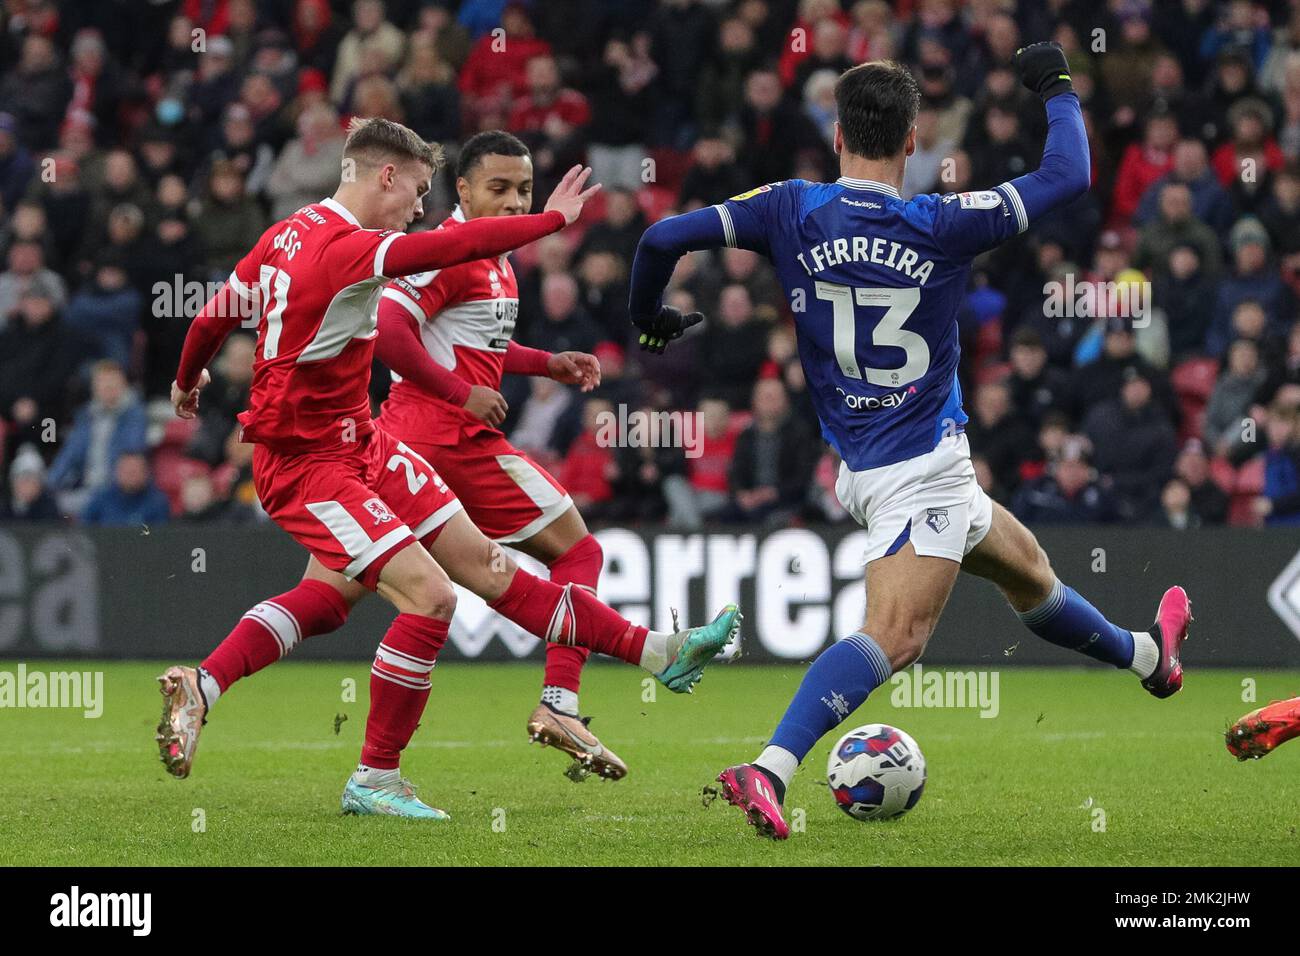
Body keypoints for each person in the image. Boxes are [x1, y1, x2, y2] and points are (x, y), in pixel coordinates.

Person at [626, 47, 1192, 840]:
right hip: (916, 466)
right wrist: (1057, 89)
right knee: (897, 637)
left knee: (1029, 574)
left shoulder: (788, 208)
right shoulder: (943, 221)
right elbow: (1068, 177)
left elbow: (659, 238)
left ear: (836, 135)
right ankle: (769, 769)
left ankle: (1149, 659)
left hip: (875, 461)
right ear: (916, 138)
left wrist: (650, 318)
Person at [157, 118, 739, 819]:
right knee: (432, 598)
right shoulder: (350, 248)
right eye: (418, 191)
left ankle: (659, 653)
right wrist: (553, 218)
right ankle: (373, 778)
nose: (418, 207)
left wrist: (187, 381)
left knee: (479, 570)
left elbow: (212, 318)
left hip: (367, 444)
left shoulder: (285, 234)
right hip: (307, 465)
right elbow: (455, 244)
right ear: (385, 177)